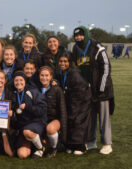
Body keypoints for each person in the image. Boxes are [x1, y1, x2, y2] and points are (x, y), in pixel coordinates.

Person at [72, 26, 114, 155]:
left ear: (86, 34)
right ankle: (91, 142)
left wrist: (100, 88)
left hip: (101, 89)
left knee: (103, 117)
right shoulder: (75, 48)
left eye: (81, 35)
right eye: (76, 35)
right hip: (86, 90)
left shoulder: (97, 47)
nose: (79, 37)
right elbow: (75, 68)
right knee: (89, 116)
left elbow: (106, 67)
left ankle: (107, 144)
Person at [56, 52, 92, 155]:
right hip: (72, 100)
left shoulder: (74, 73)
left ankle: (80, 146)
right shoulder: (62, 73)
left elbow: (81, 91)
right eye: (61, 61)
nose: (62, 63)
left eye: (65, 61)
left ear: (70, 62)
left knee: (78, 121)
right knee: (70, 121)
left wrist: (75, 105)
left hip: (81, 100)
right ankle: (71, 145)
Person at [12, 71, 47, 159]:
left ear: (25, 81)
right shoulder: (13, 94)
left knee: (27, 132)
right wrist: (12, 114)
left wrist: (28, 106)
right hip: (22, 127)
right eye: (16, 80)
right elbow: (15, 114)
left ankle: (40, 148)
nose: (18, 82)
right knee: (22, 154)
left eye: (21, 80)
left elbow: (42, 110)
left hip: (36, 122)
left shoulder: (33, 91)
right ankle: (34, 144)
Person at [38, 66, 67, 157]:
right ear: (39, 76)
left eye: (47, 75)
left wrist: (63, 131)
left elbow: (62, 110)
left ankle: (54, 148)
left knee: (50, 129)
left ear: (51, 77)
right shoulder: (36, 89)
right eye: (42, 75)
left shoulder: (57, 89)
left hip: (54, 119)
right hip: (41, 120)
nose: (44, 78)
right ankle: (45, 144)